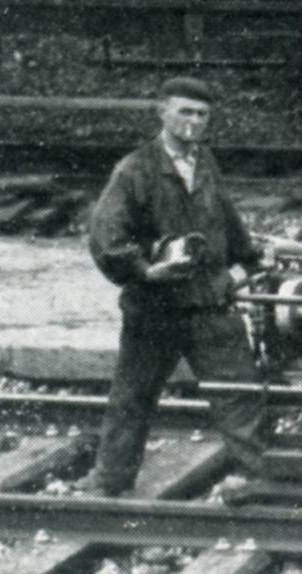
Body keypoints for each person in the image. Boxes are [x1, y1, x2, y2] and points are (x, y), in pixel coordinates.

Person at [83, 77, 270, 499]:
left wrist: (249, 258)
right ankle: (109, 483)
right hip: (155, 308)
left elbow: (225, 216)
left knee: (240, 395)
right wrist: (145, 270)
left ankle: (260, 481)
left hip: (209, 304)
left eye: (202, 114)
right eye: (185, 111)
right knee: (132, 398)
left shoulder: (203, 162)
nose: (194, 121)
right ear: (162, 111)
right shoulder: (135, 169)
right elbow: (106, 236)